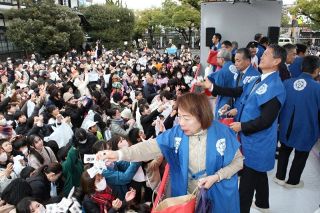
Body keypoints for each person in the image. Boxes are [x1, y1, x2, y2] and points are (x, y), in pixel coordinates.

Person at [96, 93, 244, 213]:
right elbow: (149, 147)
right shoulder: (176, 134)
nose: (181, 123)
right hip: (187, 193)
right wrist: (118, 155)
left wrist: (217, 176)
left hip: (216, 190)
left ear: (202, 116)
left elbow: (238, 162)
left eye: (186, 118)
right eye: (179, 117)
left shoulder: (222, 133)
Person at [202, 44, 287, 213]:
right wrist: (213, 88)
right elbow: (240, 94)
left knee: (246, 187)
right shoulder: (258, 79)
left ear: (277, 61)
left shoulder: (276, 87)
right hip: (250, 138)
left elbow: (266, 120)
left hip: (258, 143)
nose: (261, 56)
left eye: (267, 54)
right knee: (259, 172)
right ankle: (263, 203)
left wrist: (242, 126)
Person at [274, 56, 320, 188]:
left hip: (286, 126)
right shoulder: (317, 89)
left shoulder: (287, 83)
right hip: (307, 128)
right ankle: (293, 181)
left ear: (301, 68)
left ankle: (279, 177)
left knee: (284, 150)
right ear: (317, 70)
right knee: (301, 155)